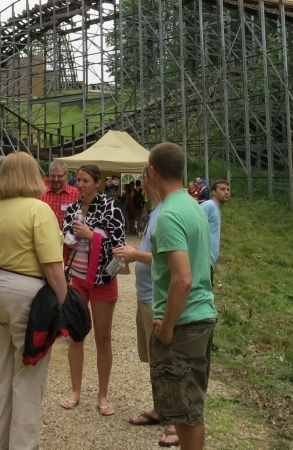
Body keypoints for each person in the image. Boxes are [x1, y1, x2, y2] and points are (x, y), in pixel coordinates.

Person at [0, 152, 68, 450]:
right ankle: (23, 445)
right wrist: (65, 306)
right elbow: (51, 266)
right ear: (34, 176)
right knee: (29, 374)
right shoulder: (39, 209)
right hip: (26, 293)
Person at [147, 143, 216, 450]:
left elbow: (182, 279)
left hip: (183, 325)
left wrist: (167, 328)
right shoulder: (193, 206)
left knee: (186, 413)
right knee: (191, 409)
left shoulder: (169, 215)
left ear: (152, 172)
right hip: (201, 317)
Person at [113, 164, 177, 447]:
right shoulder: (156, 210)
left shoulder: (167, 213)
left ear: (151, 177)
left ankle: (175, 422)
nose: (142, 181)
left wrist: (136, 254)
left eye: (144, 177)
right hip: (145, 294)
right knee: (154, 358)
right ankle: (161, 409)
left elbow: (169, 261)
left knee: (166, 359)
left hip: (158, 297)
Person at [59, 163, 126, 416]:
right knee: (76, 335)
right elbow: (64, 236)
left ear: (98, 183)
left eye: (86, 180)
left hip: (102, 280)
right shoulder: (73, 209)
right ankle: (75, 390)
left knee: (103, 339)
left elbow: (119, 246)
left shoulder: (112, 208)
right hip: (76, 278)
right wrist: (71, 237)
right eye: (78, 180)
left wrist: (91, 235)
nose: (81, 185)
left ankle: (103, 394)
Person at [200, 180, 230, 285]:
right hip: (203, 261)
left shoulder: (215, 208)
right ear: (213, 192)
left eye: (227, 189)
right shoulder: (209, 206)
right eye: (222, 189)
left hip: (208, 261)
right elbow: (194, 227)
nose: (226, 192)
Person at [40, 160, 79, 231]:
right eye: (52, 176)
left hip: (68, 240)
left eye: (59, 176)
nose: (56, 179)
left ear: (66, 175)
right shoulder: (40, 194)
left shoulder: (77, 194)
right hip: (47, 238)